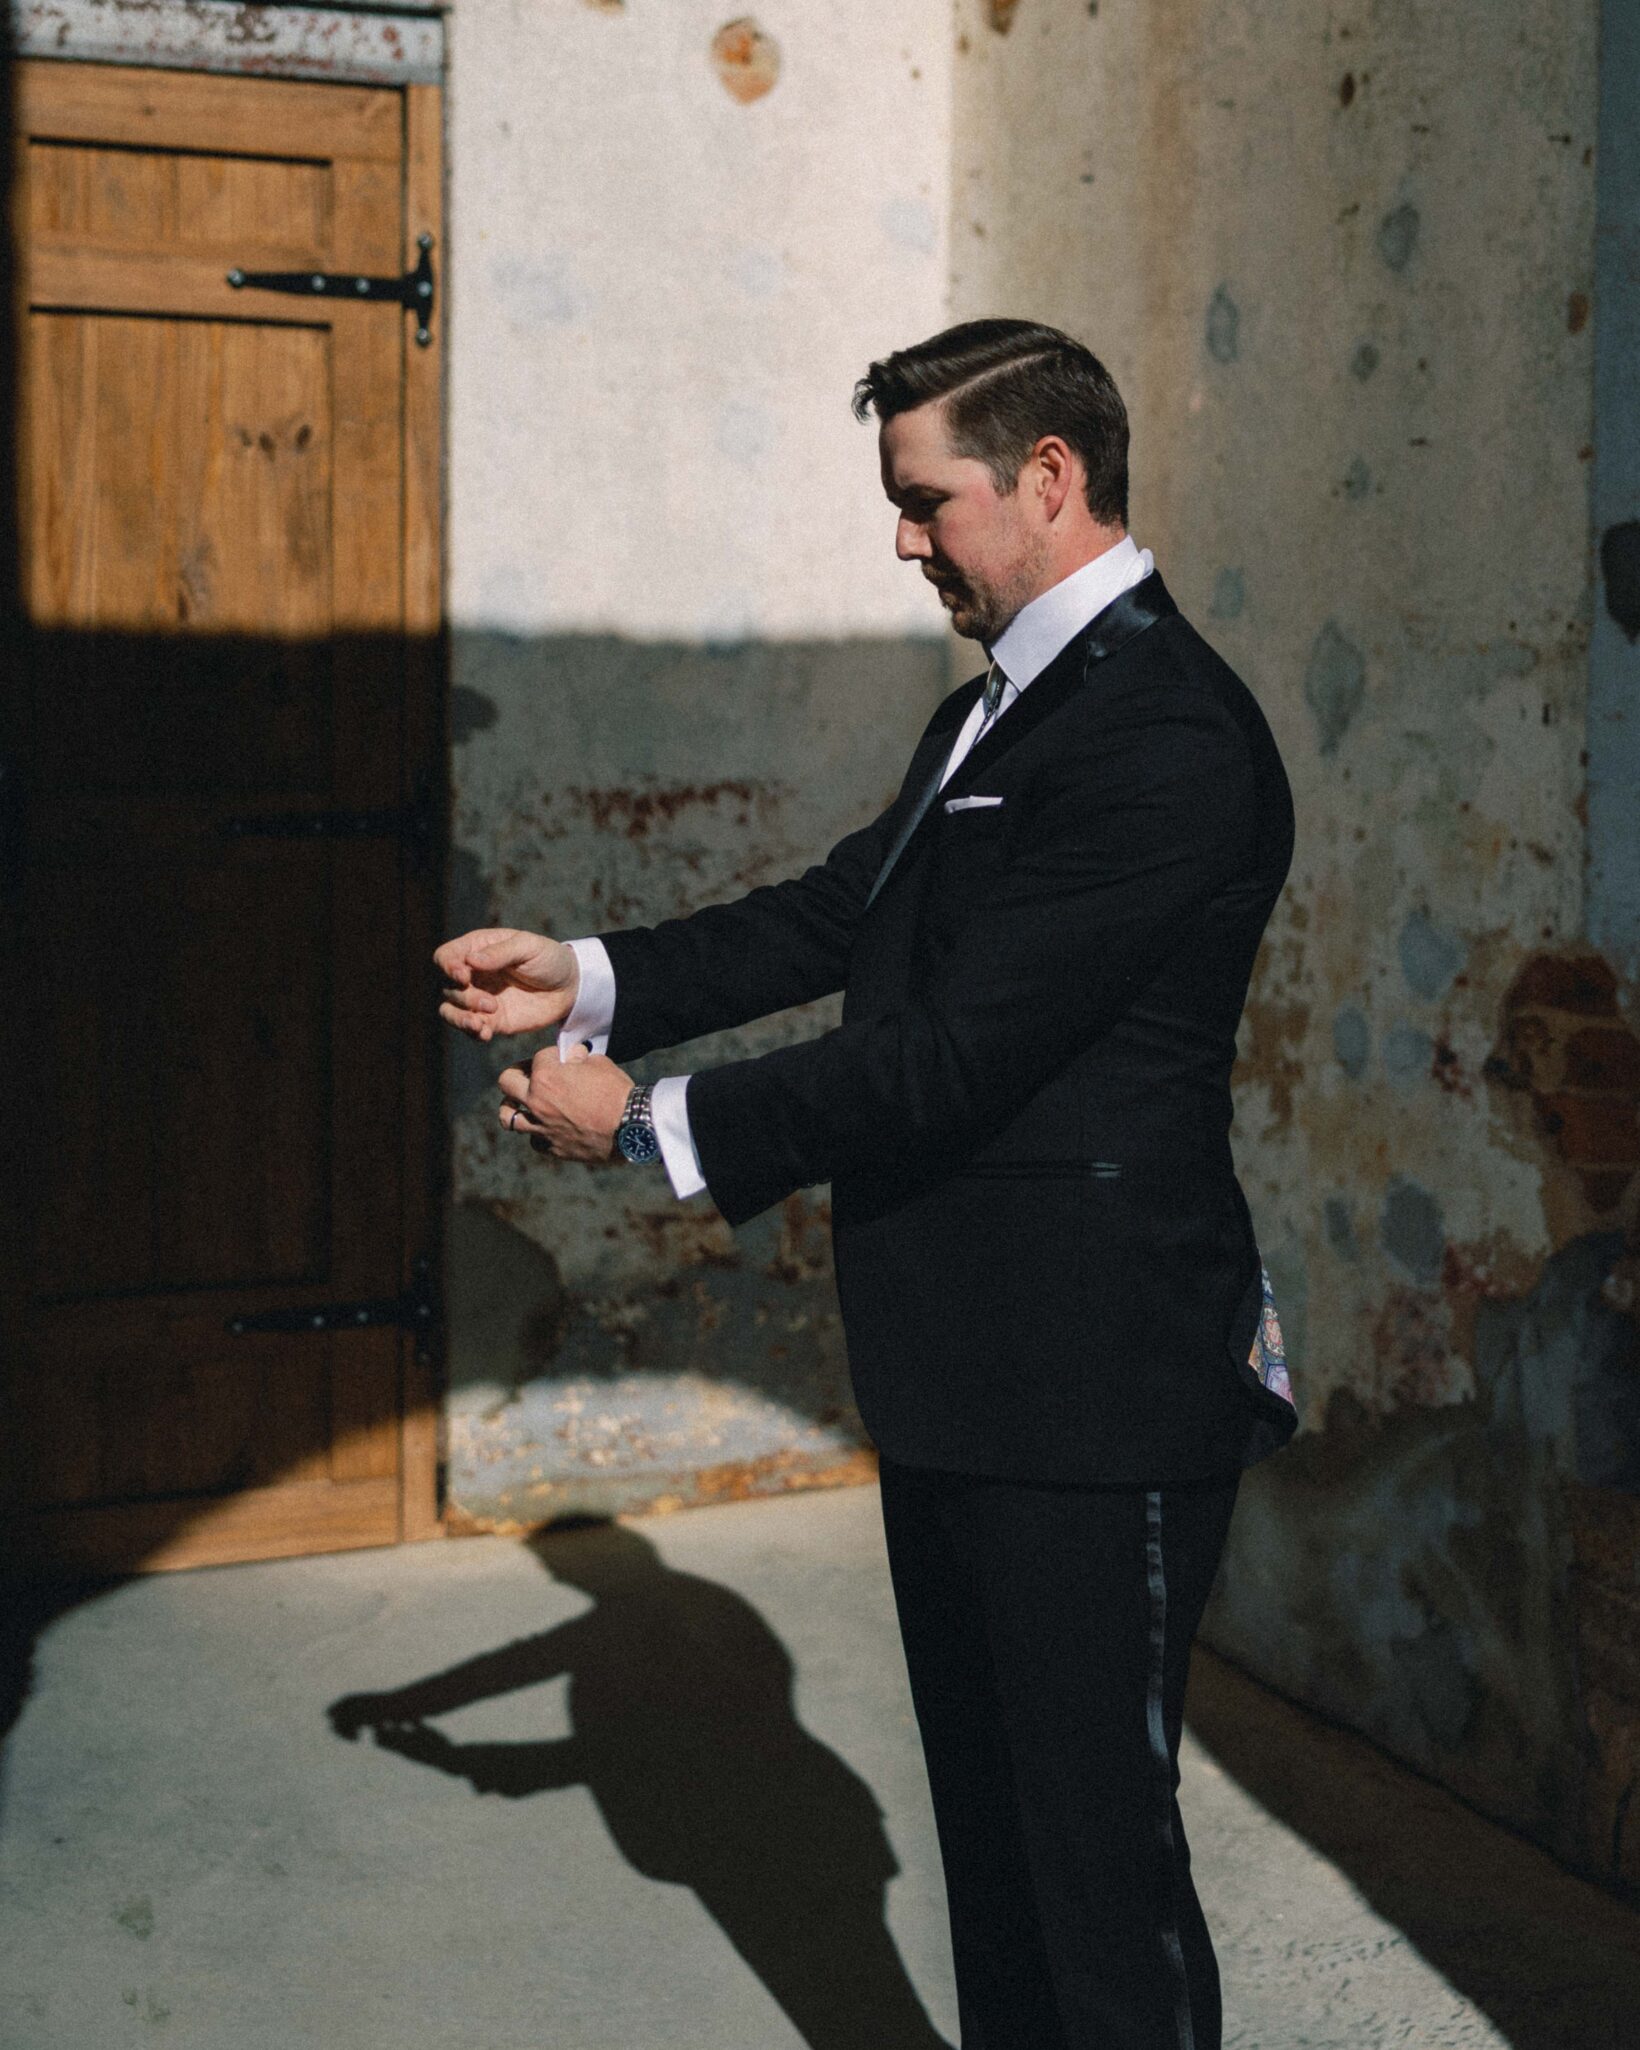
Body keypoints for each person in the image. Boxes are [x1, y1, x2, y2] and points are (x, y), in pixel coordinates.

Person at [435, 318, 1297, 2050]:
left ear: (1050, 480)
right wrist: (589, 978)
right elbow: (844, 916)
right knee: (994, 1846)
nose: (901, 540)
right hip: (968, 1367)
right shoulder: (1003, 708)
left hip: (1098, 1391)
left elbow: (949, 1058)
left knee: (1098, 1877)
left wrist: (653, 1127)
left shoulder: (1167, 736)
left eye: (927, 500)